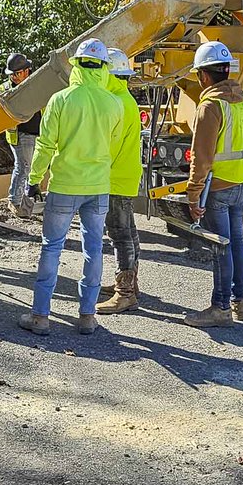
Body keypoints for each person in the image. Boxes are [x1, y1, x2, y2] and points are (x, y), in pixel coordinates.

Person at [18, 38, 123, 337]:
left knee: (52, 247)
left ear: (76, 64)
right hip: (98, 186)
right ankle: (87, 315)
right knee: (94, 249)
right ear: (103, 68)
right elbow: (112, 147)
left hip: (65, 185)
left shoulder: (61, 100)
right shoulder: (113, 104)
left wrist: (35, 180)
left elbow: (46, 144)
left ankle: (41, 316)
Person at [182, 40, 243, 328]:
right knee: (237, 241)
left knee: (221, 247)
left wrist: (193, 197)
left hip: (218, 187)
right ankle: (239, 303)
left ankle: (220, 307)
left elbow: (201, 158)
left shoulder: (210, 107)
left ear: (203, 76)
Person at [96, 48, 143, 315]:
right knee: (130, 232)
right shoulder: (126, 99)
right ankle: (129, 284)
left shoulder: (116, 104)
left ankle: (124, 293)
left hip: (114, 177)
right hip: (126, 174)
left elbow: (108, 147)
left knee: (119, 234)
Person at [0, 52, 40, 217]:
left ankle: (27, 204)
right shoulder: (4, 89)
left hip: (38, 133)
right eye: (11, 74)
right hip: (20, 135)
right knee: (23, 167)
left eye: (16, 73)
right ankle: (14, 201)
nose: (13, 76)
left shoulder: (36, 84)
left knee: (32, 169)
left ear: (26, 70)